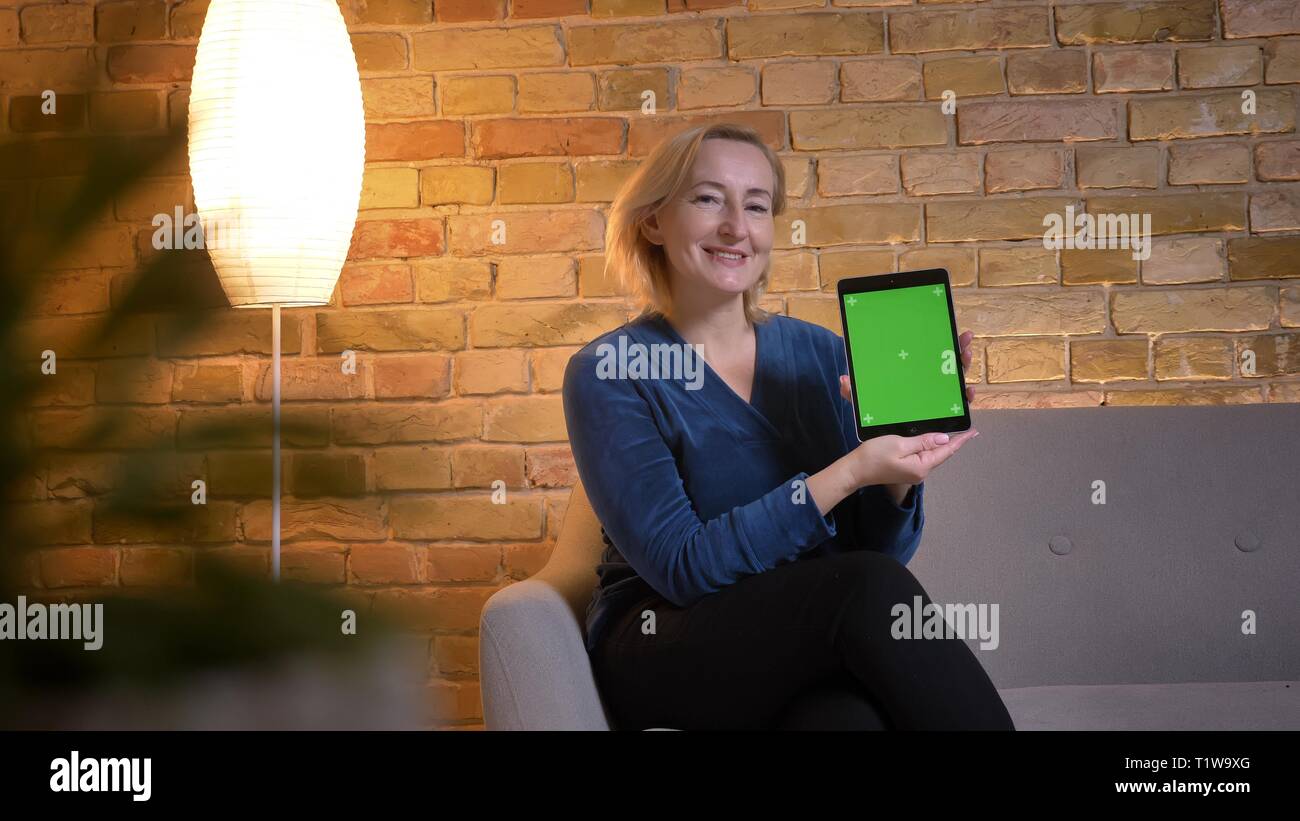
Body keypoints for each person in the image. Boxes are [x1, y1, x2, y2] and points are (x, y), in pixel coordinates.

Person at [560, 122, 1014, 731]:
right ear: (653, 222)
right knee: (862, 591)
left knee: (847, 722)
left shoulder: (820, 355)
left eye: (756, 205)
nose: (735, 227)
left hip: (802, 633)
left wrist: (896, 475)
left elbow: (874, 557)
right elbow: (683, 568)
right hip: (664, 638)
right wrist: (849, 470)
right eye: (706, 198)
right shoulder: (610, 372)